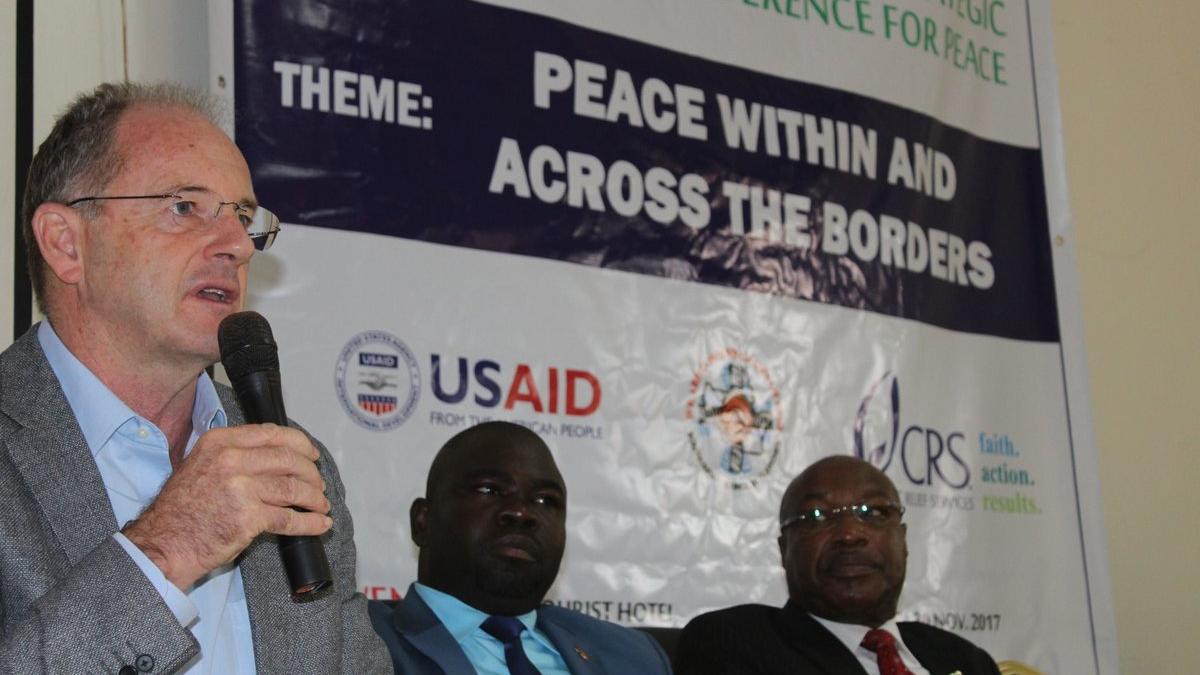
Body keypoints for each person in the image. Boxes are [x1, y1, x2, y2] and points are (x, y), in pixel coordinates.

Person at [0, 82, 390, 673]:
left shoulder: (292, 459)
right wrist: (167, 549)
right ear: (66, 243)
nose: (237, 245)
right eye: (184, 207)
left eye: (243, 217)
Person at [369, 421, 672, 674]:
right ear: (423, 521)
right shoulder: (358, 638)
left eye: (545, 500)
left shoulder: (633, 656)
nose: (521, 512)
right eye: (489, 489)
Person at [674, 456, 1000, 675]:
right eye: (817, 516)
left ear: (903, 540)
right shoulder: (734, 645)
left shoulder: (965, 659)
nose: (849, 534)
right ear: (784, 549)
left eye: (873, 512)